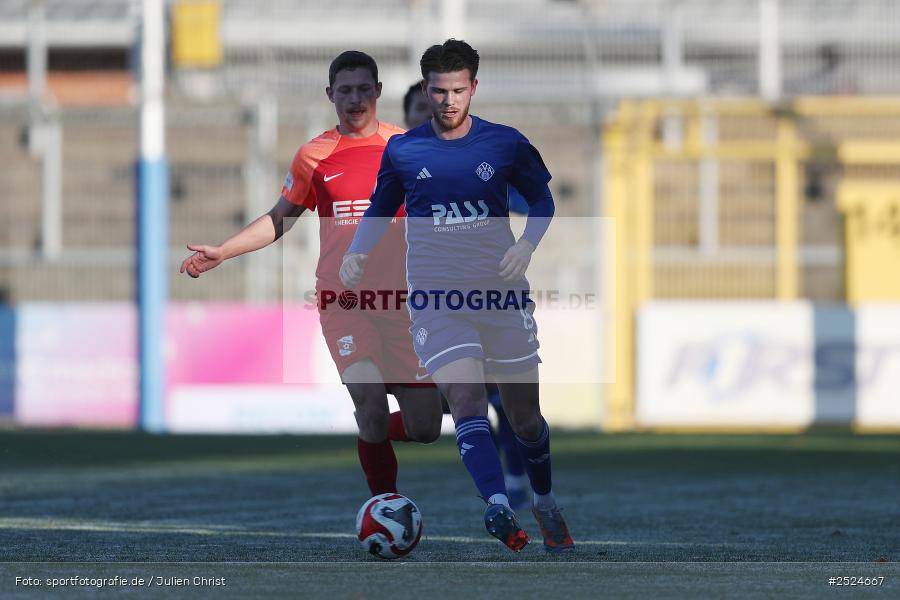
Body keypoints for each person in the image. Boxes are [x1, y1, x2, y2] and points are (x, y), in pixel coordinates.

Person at [343, 40, 573, 552]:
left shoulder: (505, 143)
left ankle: (546, 500)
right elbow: (381, 208)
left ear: (473, 87)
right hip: (436, 300)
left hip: (500, 296)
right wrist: (357, 252)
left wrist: (527, 246)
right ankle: (497, 505)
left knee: (525, 419)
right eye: (439, 91)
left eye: (458, 90)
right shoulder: (404, 150)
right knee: (466, 400)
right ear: (426, 89)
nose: (448, 100)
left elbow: (542, 199)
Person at [180, 51, 443, 499]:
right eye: (345, 90)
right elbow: (279, 218)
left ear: (378, 92)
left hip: (402, 305)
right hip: (344, 302)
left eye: (364, 89)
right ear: (330, 95)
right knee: (372, 407)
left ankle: (371, 437)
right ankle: (385, 505)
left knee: (425, 426)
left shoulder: (408, 148)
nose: (355, 99)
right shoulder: (314, 156)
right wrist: (224, 250)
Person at [401, 81, 532, 512]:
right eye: (420, 109)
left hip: (477, 299)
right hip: (415, 303)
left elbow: (520, 200)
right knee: (442, 407)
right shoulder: (399, 165)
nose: (429, 114)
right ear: (406, 119)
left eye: (432, 107)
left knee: (490, 397)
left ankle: (512, 480)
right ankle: (499, 477)